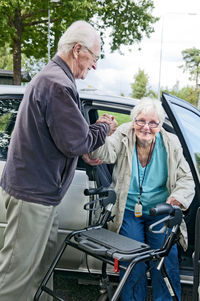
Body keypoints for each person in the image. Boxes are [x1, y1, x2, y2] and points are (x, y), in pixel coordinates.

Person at [0, 20, 117, 301]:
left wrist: (83, 148)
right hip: (34, 195)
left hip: (41, 194)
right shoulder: (57, 84)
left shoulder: (55, 79)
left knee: (40, 273)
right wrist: (103, 127)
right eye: (95, 57)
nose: (95, 65)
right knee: (17, 278)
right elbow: (76, 141)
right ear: (78, 50)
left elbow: (65, 139)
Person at [83, 98, 195, 301]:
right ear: (133, 120)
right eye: (141, 121)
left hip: (161, 210)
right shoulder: (124, 134)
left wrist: (176, 199)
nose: (146, 127)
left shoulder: (171, 143)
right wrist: (102, 131)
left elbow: (187, 179)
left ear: (160, 125)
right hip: (128, 209)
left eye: (153, 123)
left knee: (164, 260)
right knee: (132, 260)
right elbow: (103, 152)